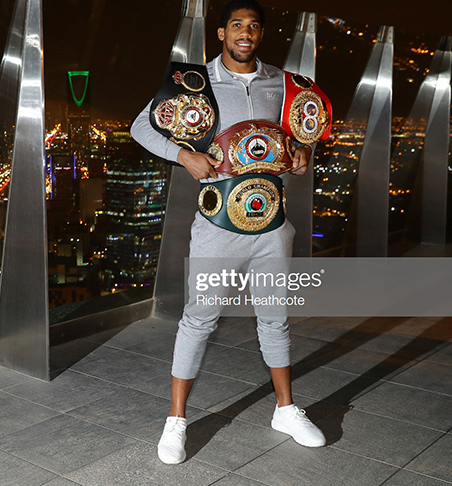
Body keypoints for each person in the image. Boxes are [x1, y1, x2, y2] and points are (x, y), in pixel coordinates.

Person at [130, 0, 326, 465]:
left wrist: (300, 157)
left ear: (260, 35)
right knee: (200, 318)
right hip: (218, 226)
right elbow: (142, 126)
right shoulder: (193, 82)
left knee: (275, 318)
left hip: (273, 224)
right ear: (221, 33)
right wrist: (185, 156)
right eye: (236, 25)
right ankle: (176, 421)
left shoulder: (286, 83)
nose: (245, 33)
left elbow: (295, 142)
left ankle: (285, 409)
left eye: (253, 26)